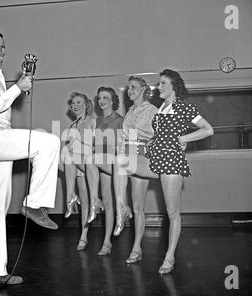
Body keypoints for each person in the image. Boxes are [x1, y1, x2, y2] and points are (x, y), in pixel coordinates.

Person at [0, 30, 60, 286]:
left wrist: (18, 86)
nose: (4, 53)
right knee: (49, 142)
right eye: (1, 48)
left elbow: (0, 103)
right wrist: (17, 88)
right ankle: (34, 204)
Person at [114, 69, 214, 275]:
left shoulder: (183, 106)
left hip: (171, 162)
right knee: (121, 161)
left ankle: (170, 257)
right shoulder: (161, 109)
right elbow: (156, 136)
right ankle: (122, 209)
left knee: (172, 212)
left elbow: (207, 129)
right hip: (153, 159)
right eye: (158, 84)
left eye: (162, 84)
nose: (158, 87)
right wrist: (148, 144)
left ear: (173, 86)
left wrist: (184, 139)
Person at [112, 76, 157, 264]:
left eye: (133, 87)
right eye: (128, 88)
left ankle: (135, 246)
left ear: (143, 90)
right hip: (127, 153)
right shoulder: (129, 111)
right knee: (119, 160)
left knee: (138, 207)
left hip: (141, 154)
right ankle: (121, 209)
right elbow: (124, 137)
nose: (129, 90)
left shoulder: (152, 110)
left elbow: (159, 135)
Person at [85, 87, 123, 255]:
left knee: (109, 203)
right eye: (100, 98)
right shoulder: (97, 120)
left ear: (113, 100)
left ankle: (95, 201)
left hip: (112, 163)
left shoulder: (120, 120)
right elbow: (92, 144)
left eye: (106, 98)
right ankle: (106, 243)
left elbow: (122, 146)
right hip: (100, 164)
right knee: (108, 204)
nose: (102, 101)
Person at [61, 92, 95, 251]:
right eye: (73, 103)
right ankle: (83, 236)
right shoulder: (73, 124)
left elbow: (93, 144)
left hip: (88, 163)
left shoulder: (91, 121)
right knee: (85, 203)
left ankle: (70, 195)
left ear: (86, 104)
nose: (75, 106)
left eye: (79, 102)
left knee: (90, 201)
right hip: (77, 165)